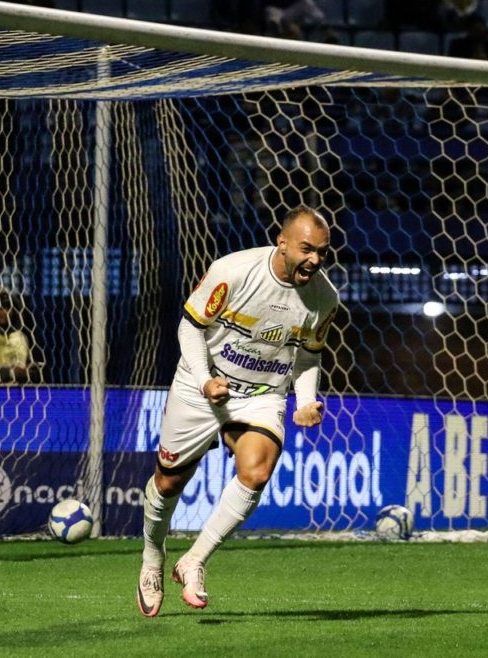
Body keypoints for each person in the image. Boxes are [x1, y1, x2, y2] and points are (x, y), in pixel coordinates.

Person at [136, 205, 340, 617]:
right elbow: (190, 326)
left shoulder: (324, 298)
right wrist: (204, 380)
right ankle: (152, 557)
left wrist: (304, 402)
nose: (314, 259)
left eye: (321, 251)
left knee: (258, 470)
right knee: (169, 482)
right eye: (306, 249)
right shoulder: (234, 271)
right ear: (282, 243)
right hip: (203, 385)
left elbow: (307, 357)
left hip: (262, 393)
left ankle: (194, 560)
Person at [0, 290, 43, 384]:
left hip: (17, 391)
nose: (1, 312)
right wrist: (11, 372)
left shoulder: (23, 338)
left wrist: (27, 372)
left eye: (6, 308)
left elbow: (37, 370)